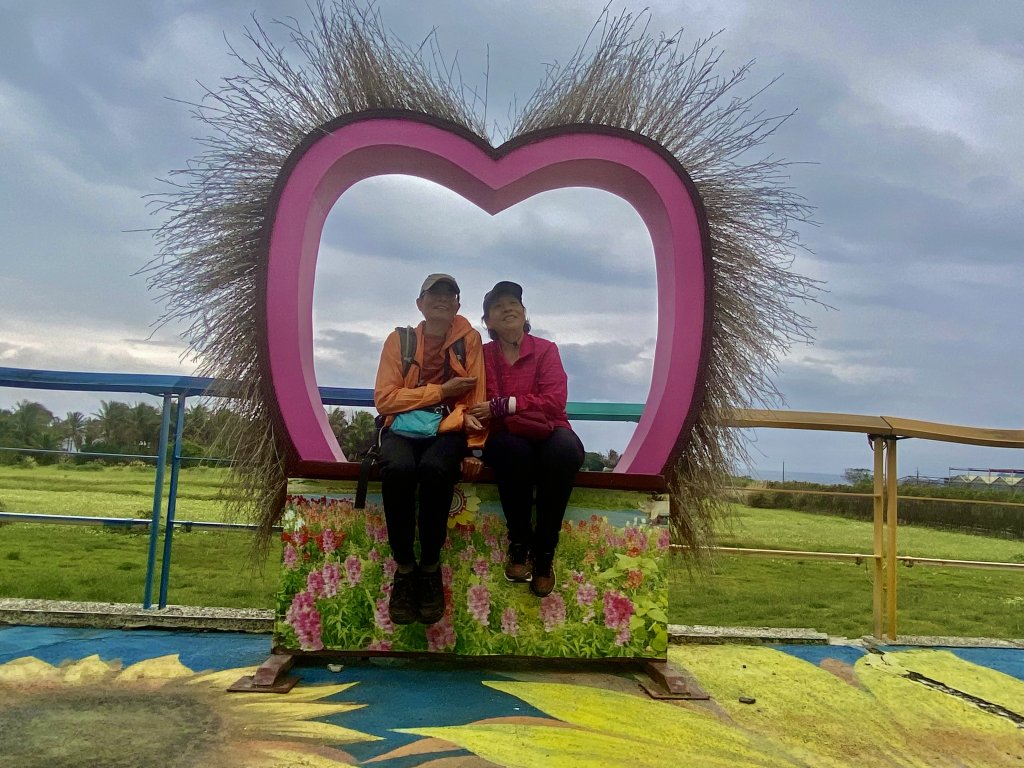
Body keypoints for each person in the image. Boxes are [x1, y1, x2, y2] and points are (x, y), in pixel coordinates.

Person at [374, 273, 486, 625]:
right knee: (398, 469)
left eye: (449, 294)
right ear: (419, 303)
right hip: (403, 429)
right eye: (433, 294)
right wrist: (441, 391)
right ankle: (405, 567)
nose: (441, 299)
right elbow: (384, 400)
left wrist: (475, 450)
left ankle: (430, 566)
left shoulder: (470, 341)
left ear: (457, 305)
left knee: (437, 470)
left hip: (450, 428)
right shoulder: (400, 340)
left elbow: (477, 397)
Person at [467, 281, 585, 597]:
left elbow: (555, 400)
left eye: (513, 302)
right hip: (508, 437)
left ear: (523, 312)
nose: (507, 308)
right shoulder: (482, 355)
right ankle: (519, 543)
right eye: (497, 305)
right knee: (510, 450)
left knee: (562, 451)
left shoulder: (546, 349)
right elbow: (481, 401)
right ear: (488, 322)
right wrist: (502, 406)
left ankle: (545, 553)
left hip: (549, 429)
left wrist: (506, 404)